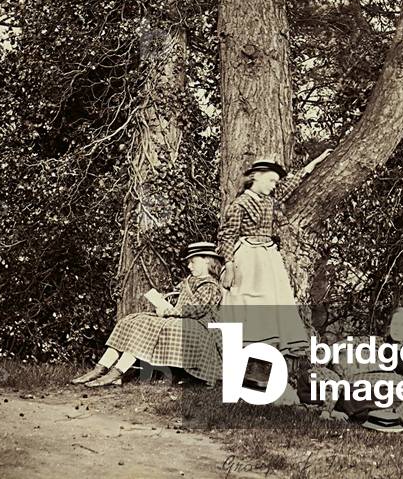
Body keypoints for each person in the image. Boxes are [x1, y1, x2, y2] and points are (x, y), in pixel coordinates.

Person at [218, 152, 329, 360]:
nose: (273, 185)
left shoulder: (269, 200)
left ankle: (269, 349)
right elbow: (227, 237)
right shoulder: (239, 205)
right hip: (248, 259)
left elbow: (289, 185)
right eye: (270, 180)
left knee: (274, 299)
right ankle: (248, 349)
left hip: (268, 257)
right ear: (256, 177)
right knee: (250, 301)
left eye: (275, 182)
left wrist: (314, 163)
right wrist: (230, 266)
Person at [71, 241, 224, 388]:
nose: (189, 266)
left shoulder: (209, 285)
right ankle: (101, 367)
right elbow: (179, 297)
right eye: (188, 262)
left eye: (193, 262)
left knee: (148, 325)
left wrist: (168, 311)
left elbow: (197, 310)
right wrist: (162, 301)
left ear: (206, 261)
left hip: (199, 325)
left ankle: (117, 372)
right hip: (179, 318)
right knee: (131, 320)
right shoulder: (191, 280)